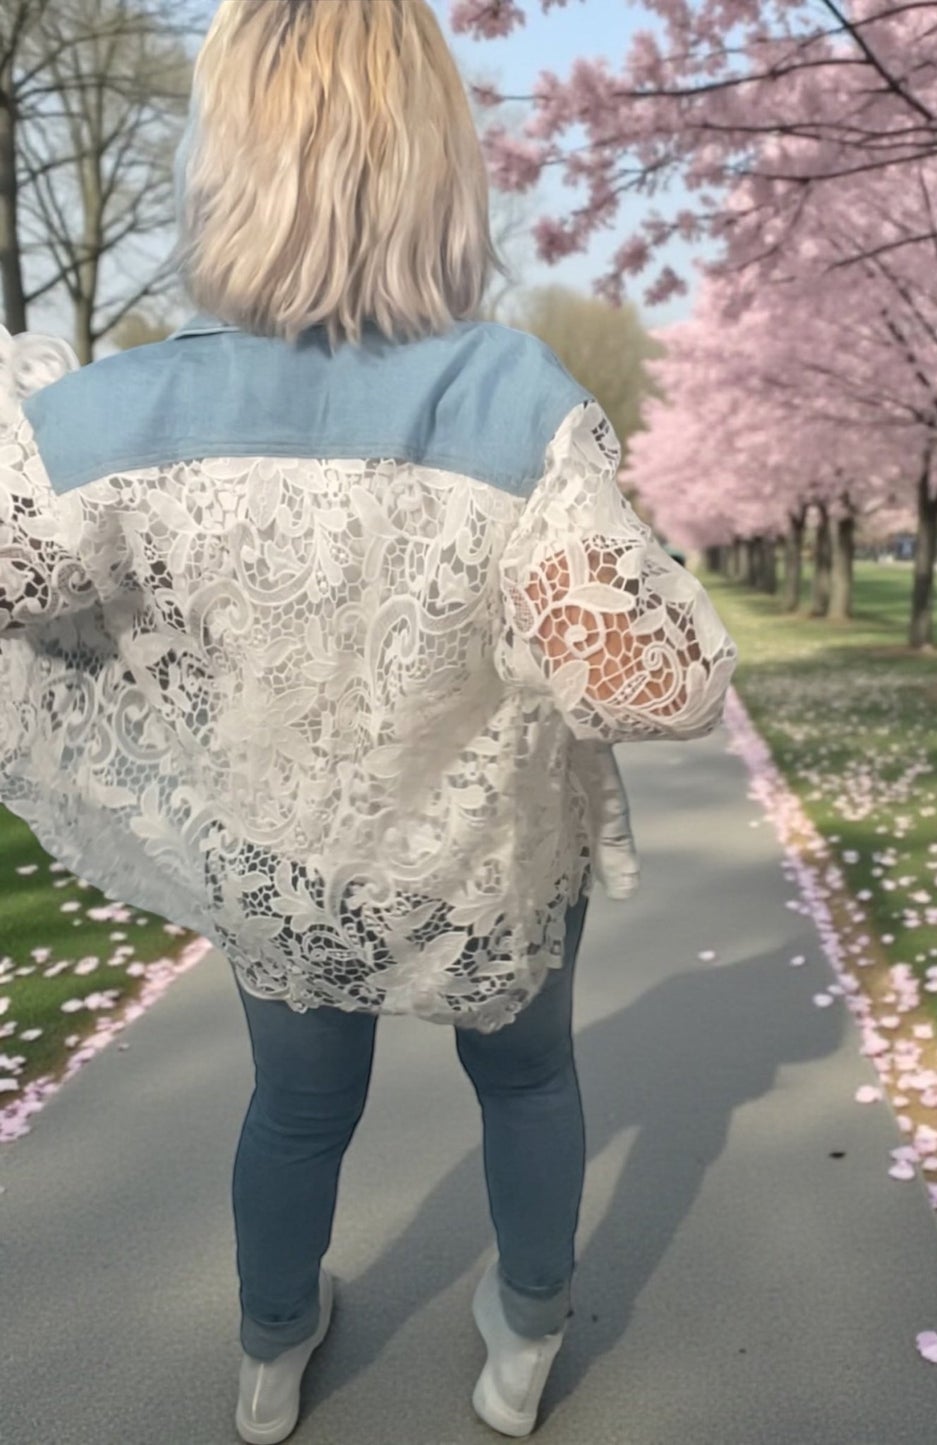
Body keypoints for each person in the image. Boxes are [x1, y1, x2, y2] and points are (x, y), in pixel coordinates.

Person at [0, 2, 737, 1440]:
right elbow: (663, 684)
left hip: (284, 863)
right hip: (492, 861)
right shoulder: (512, 397)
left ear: (226, 165)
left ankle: (270, 1353)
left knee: (294, 1105)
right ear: (438, 166)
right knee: (528, 1078)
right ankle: (524, 1340)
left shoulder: (120, 416)